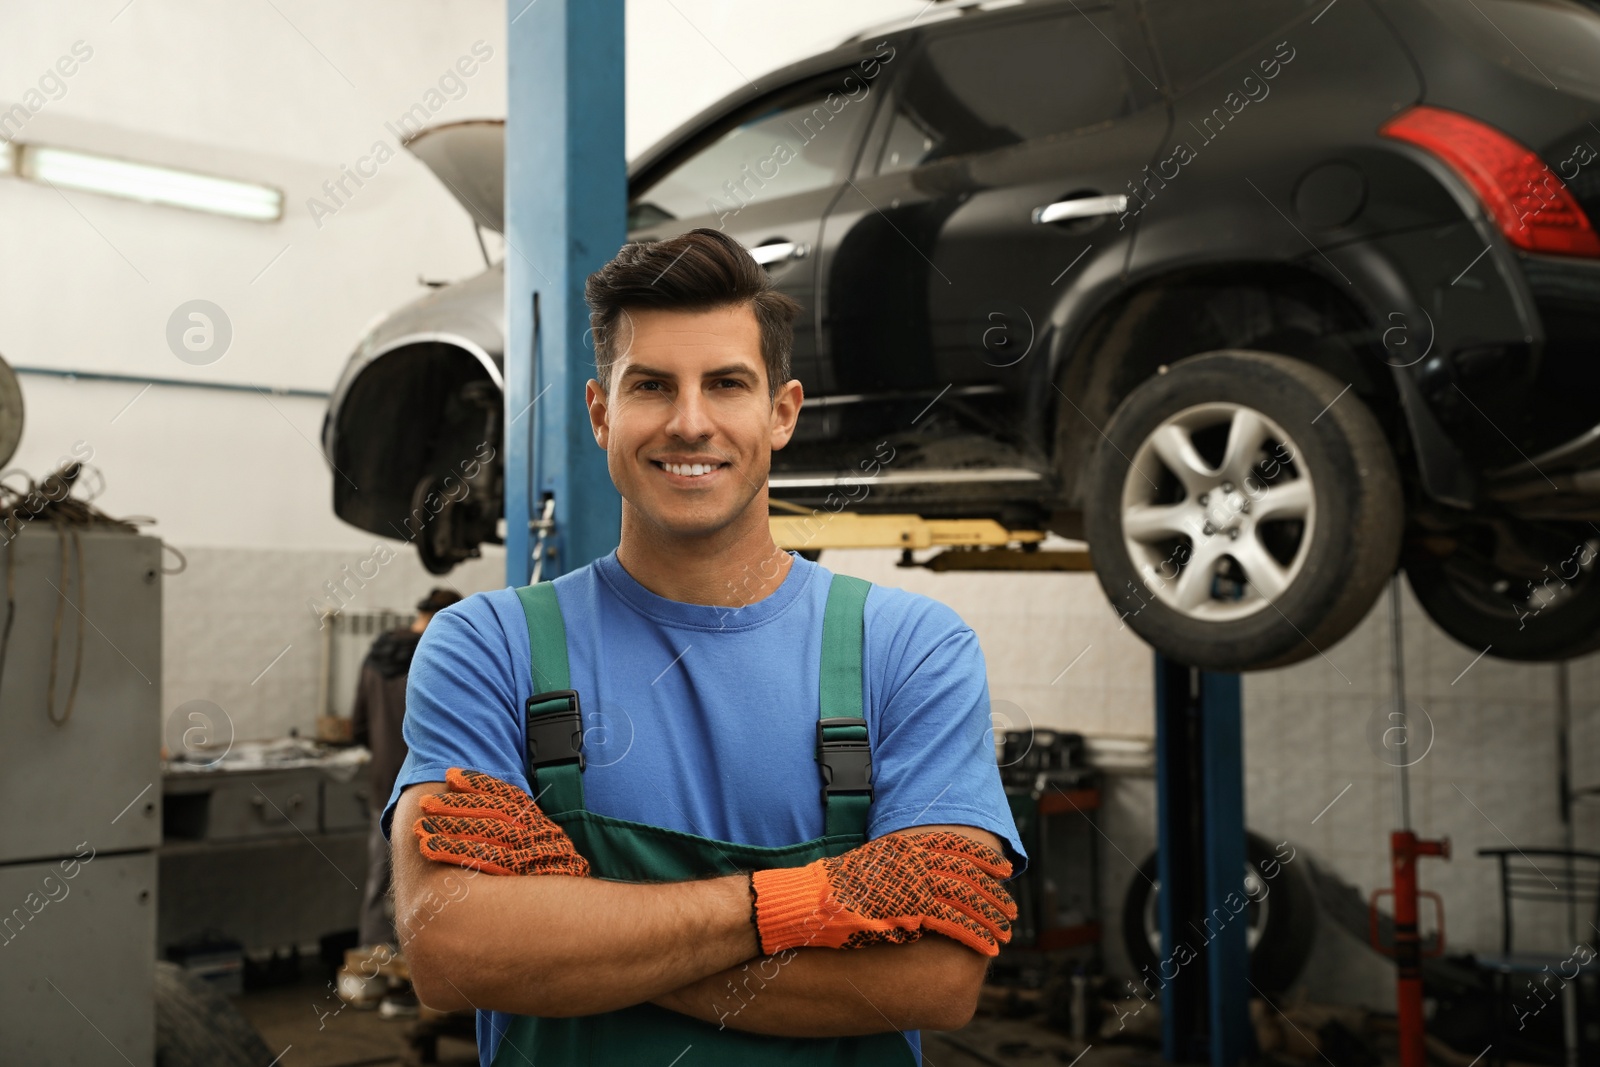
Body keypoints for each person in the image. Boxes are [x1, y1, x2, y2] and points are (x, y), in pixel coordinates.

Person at [383, 228, 1028, 1066]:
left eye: (726, 384)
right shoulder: (488, 647)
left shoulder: (907, 650)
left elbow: (935, 979)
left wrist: (572, 934)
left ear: (782, 412)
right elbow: (451, 952)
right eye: (652, 385)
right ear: (601, 412)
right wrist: (801, 903)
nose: (690, 423)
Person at [350, 586, 461, 1012]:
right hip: (428, 789)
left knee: (381, 878)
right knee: (428, 884)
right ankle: (420, 979)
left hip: (383, 785)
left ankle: (374, 971)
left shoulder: (376, 655)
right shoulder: (438, 653)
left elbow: (356, 726)